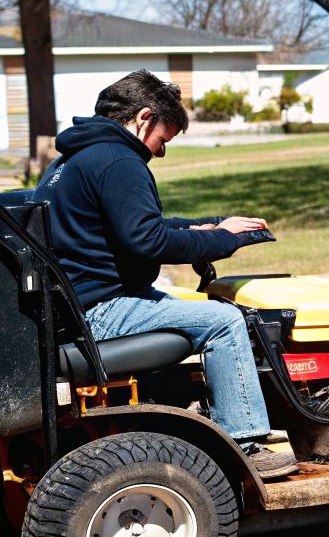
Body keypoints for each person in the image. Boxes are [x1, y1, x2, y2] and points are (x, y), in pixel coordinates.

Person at [32, 70, 297, 478]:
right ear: (143, 117)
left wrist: (203, 227)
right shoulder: (120, 161)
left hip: (76, 306)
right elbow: (147, 241)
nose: (161, 152)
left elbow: (127, 226)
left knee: (184, 310)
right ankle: (245, 443)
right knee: (226, 320)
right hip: (102, 310)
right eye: (163, 139)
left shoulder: (71, 161)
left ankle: (187, 417)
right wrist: (223, 241)